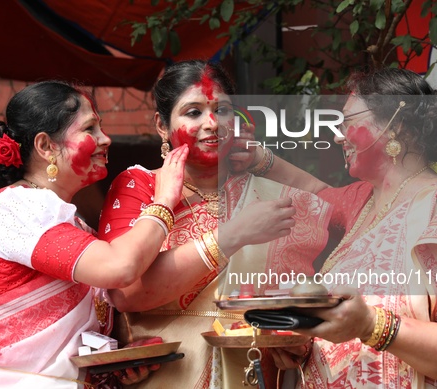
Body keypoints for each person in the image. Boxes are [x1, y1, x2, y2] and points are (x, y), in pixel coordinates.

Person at [266, 67, 437, 388]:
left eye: (348, 122)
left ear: (395, 127)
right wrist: (306, 345)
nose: (337, 135)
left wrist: (373, 325)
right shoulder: (365, 206)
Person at [97, 60, 332, 388]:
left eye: (222, 110)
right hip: (167, 377)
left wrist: (298, 341)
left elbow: (351, 210)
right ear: (162, 126)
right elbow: (125, 293)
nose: (212, 123)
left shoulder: (266, 193)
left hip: (255, 373)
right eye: (193, 112)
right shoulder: (140, 187)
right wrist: (233, 235)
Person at [0, 80, 191, 388]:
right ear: (45, 146)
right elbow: (120, 268)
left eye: (100, 127)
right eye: (89, 129)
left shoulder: (72, 224)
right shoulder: (15, 208)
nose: (105, 139)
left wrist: (115, 362)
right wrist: (163, 201)